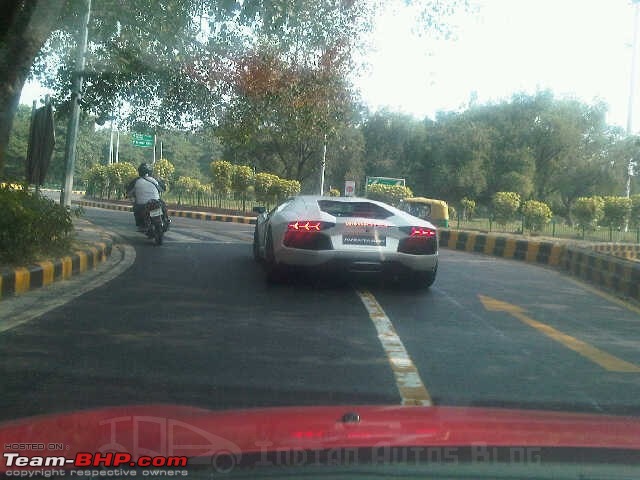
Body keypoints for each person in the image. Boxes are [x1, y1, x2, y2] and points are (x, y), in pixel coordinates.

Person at [127, 163, 168, 230]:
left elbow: (128, 193)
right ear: (150, 171)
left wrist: (131, 197)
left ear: (139, 171)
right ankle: (166, 220)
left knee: (136, 208)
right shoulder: (155, 180)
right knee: (163, 205)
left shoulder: (135, 181)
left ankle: (141, 224)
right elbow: (163, 189)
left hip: (143, 205)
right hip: (156, 203)